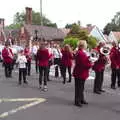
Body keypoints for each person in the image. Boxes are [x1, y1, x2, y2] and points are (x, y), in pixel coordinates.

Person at [73, 40, 92, 107]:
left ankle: (81, 99)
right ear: (83, 45)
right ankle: (77, 101)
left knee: (81, 87)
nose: (86, 45)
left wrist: (88, 59)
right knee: (79, 87)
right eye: (85, 44)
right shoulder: (81, 53)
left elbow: (83, 61)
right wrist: (91, 64)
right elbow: (84, 64)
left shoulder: (79, 52)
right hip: (81, 72)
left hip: (79, 72)